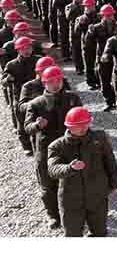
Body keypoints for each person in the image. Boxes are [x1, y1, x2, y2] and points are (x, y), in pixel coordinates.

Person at [24, 65, 82, 229]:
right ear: (44, 83)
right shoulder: (36, 104)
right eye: (51, 81)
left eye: (58, 80)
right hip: (46, 149)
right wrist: (37, 125)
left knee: (73, 180)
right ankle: (53, 215)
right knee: (48, 184)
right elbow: (27, 127)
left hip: (69, 146)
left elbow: (82, 116)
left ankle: (74, 212)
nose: (56, 84)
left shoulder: (72, 98)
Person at [47, 106, 117, 237]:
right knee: (72, 234)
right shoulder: (57, 146)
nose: (83, 128)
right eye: (79, 125)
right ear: (69, 126)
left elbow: (110, 162)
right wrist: (69, 168)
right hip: (71, 199)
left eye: (86, 123)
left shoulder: (100, 139)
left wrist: (114, 184)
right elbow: (53, 170)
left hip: (97, 196)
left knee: (100, 232)